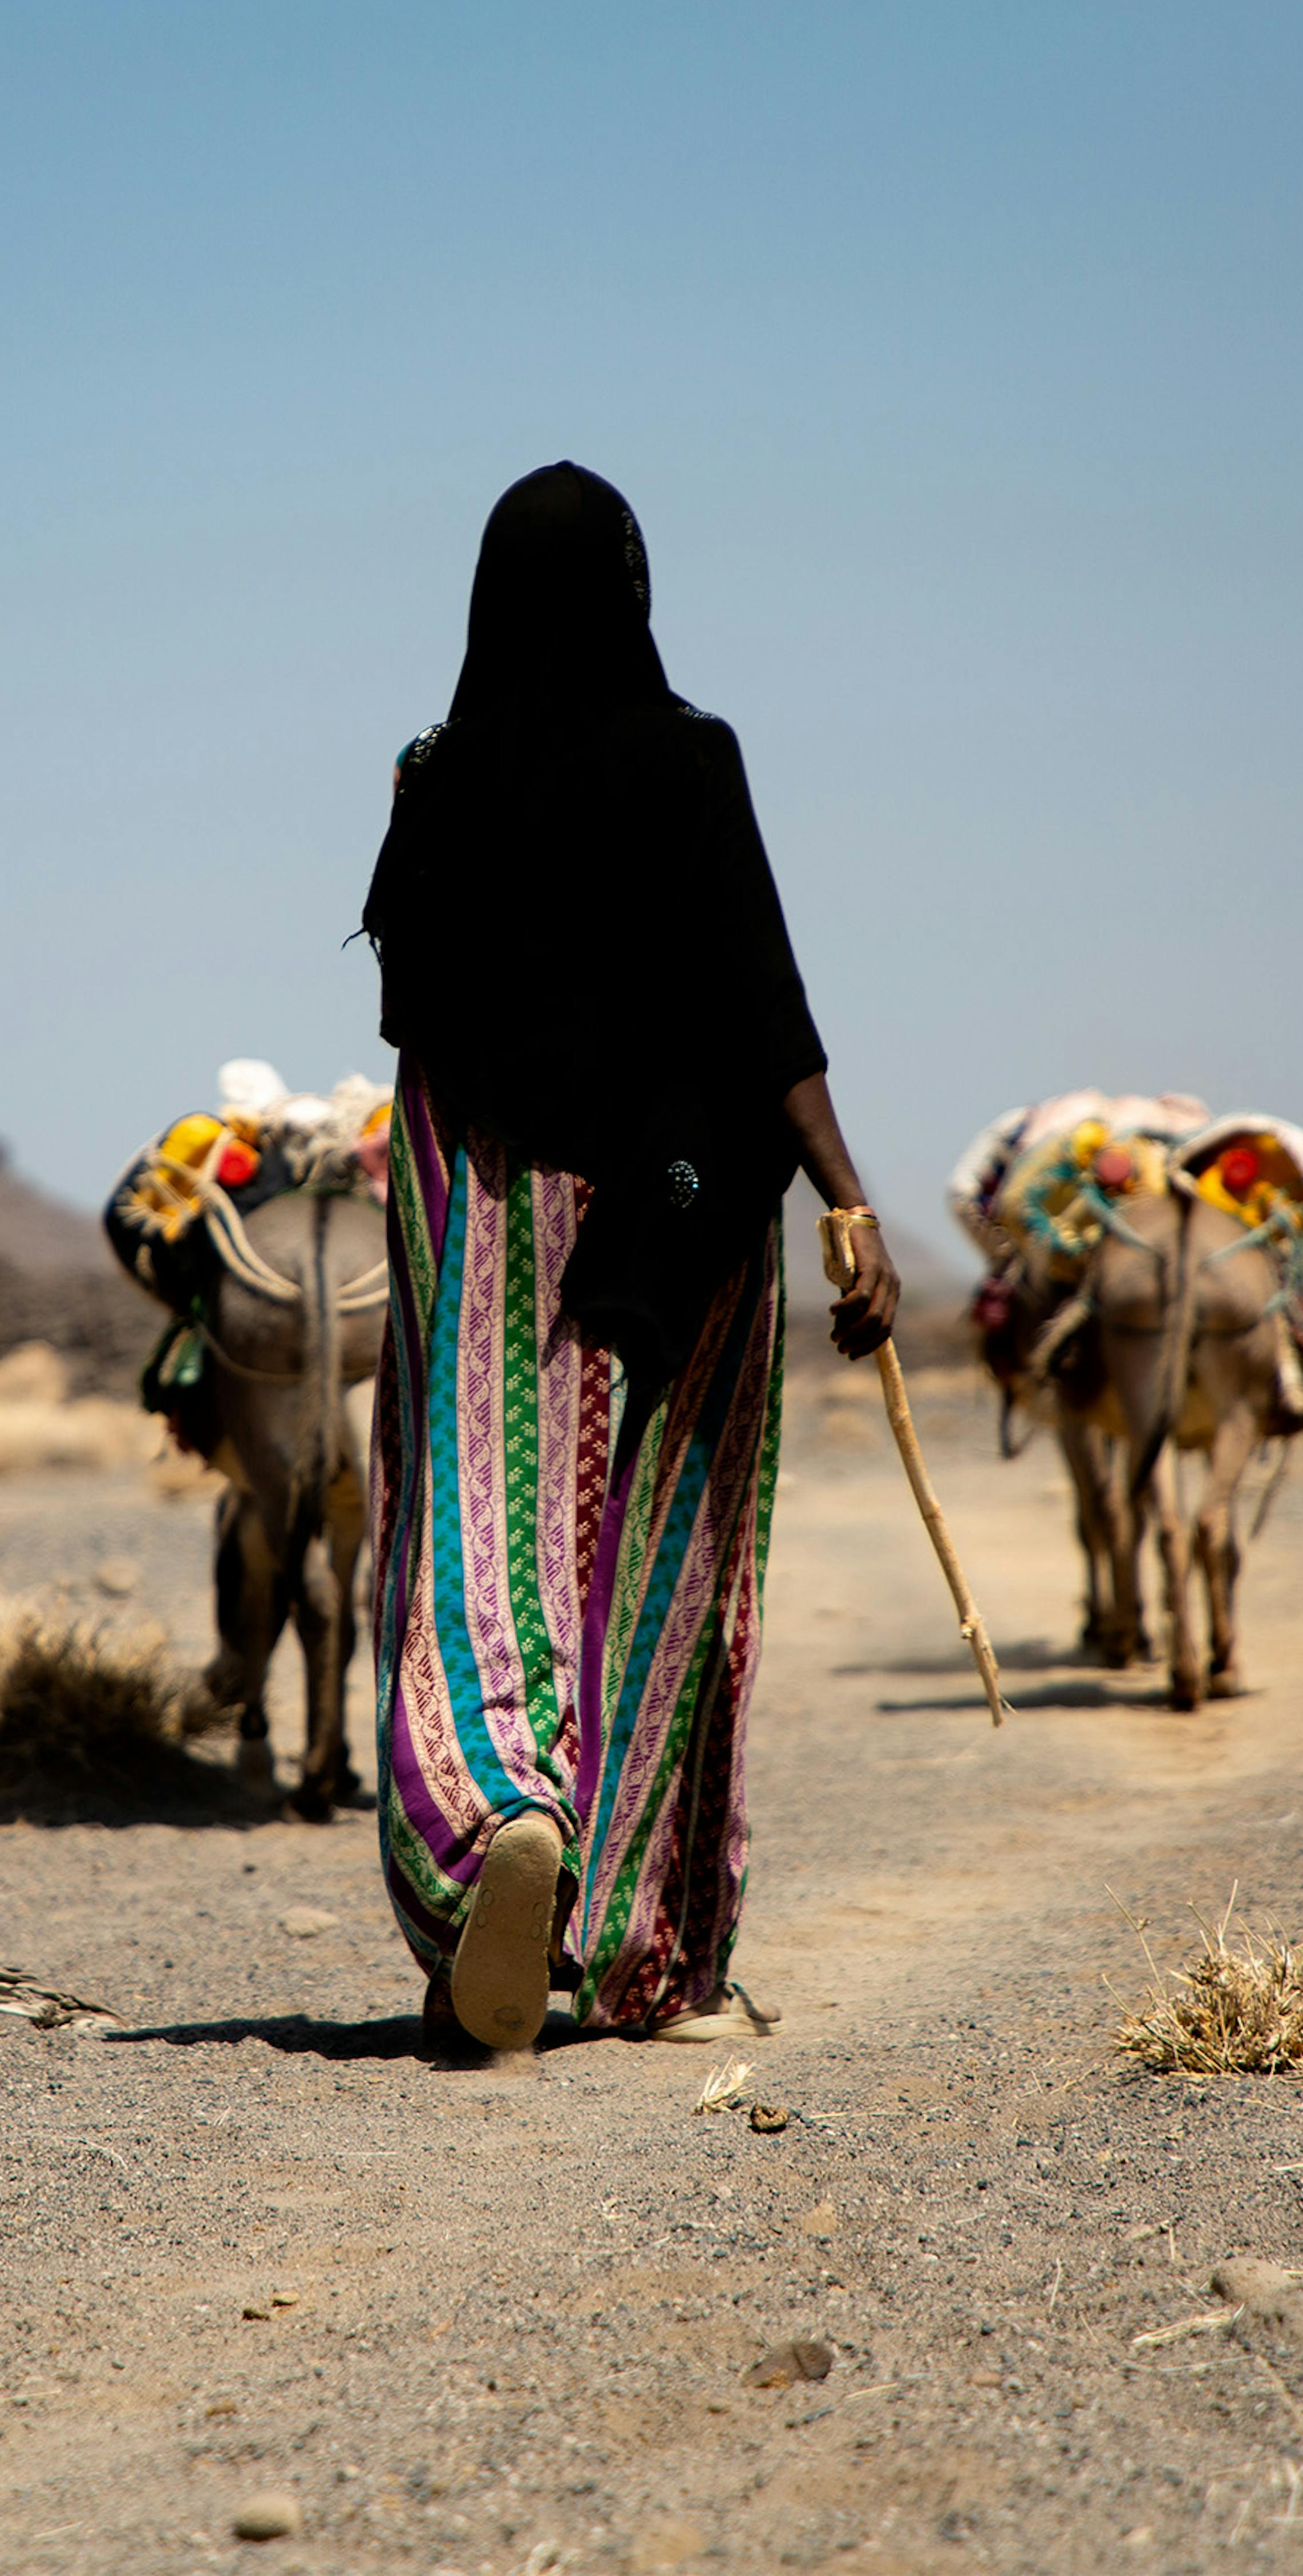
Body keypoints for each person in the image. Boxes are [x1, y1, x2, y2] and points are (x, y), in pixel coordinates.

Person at [353, 462, 901, 2061]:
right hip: (679, 1219)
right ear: (633, 591)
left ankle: (490, 1829)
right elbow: (758, 998)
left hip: (478, 1207)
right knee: (666, 1557)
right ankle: (653, 1957)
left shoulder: (431, 777)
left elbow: (411, 1009)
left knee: (474, 1527)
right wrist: (846, 1202)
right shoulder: (690, 757)